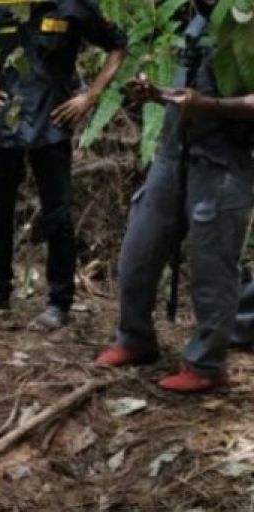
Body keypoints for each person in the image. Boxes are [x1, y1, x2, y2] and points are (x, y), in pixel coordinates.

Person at [95, 0, 254, 393]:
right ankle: (135, 337)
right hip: (172, 154)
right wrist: (156, 95)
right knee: (140, 246)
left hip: (222, 162)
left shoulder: (245, 20)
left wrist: (209, 106)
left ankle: (206, 364)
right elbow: (189, 92)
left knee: (213, 267)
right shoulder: (199, 20)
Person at [0, 0, 127, 329]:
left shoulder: (75, 8)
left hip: (51, 125)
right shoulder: (3, 9)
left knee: (58, 216)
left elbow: (117, 45)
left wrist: (90, 95)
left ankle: (59, 303)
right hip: (6, 126)